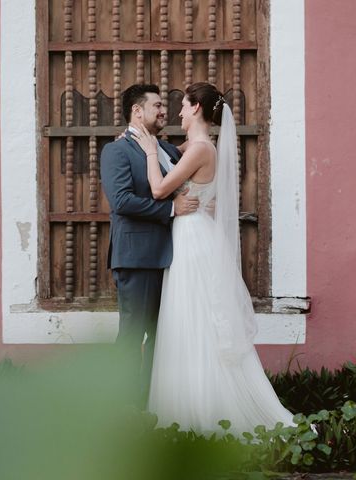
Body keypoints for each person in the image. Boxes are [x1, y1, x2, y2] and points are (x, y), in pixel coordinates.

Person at [131, 82, 294, 436]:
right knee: (192, 318)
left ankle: (204, 409)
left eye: (184, 106)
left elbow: (159, 189)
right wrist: (145, 140)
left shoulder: (202, 148)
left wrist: (146, 152)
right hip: (193, 233)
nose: (177, 113)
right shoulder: (197, 146)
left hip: (192, 239)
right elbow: (171, 152)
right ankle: (190, 403)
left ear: (197, 109)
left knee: (195, 318)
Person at [99, 84, 199, 407]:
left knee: (162, 339)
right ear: (136, 111)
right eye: (156, 105)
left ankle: (149, 406)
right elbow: (122, 201)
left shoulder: (168, 150)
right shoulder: (116, 151)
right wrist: (171, 209)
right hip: (138, 259)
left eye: (163, 106)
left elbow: (194, 156)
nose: (162, 111)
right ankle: (118, 408)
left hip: (173, 259)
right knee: (132, 336)